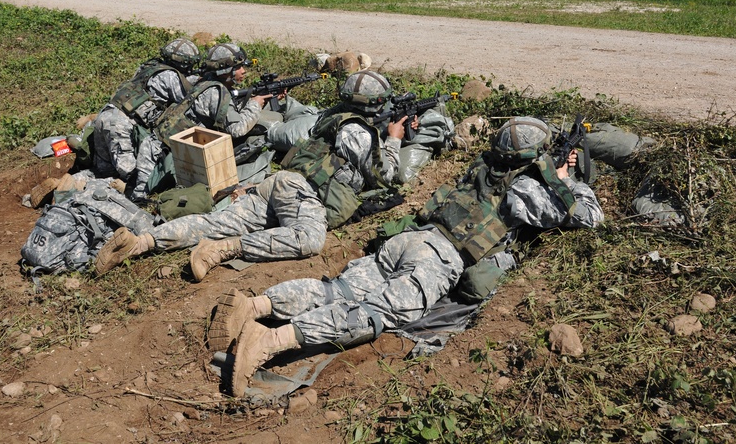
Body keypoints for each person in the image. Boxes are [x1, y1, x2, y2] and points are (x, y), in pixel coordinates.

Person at [213, 116, 604, 398]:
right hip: (438, 260)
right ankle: (270, 340)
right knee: (376, 313)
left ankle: (256, 304)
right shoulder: (526, 189)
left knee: (337, 289)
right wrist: (565, 180)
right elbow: (589, 218)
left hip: (408, 240)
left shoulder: (483, 166)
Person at [93, 70, 413, 279]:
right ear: (375, 104)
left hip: (276, 185)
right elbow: (384, 177)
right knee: (310, 240)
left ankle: (139, 243)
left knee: (213, 222)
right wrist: (395, 140)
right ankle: (225, 249)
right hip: (305, 195)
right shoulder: (357, 132)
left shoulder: (331, 118)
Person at [130, 42, 277, 200]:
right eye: (238, 67)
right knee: (144, 201)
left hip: (159, 147)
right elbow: (237, 129)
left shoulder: (203, 80)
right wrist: (255, 104)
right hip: (165, 158)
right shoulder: (215, 92)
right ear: (225, 71)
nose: (244, 71)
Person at [92, 37, 202, 187]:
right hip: (120, 126)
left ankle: (78, 183)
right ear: (184, 63)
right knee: (132, 179)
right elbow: (188, 98)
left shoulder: (148, 66)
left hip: (105, 115)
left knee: (103, 171)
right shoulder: (170, 76)